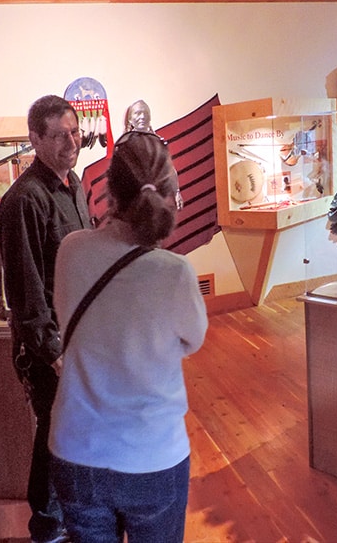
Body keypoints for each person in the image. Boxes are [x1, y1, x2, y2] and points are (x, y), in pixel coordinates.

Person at [49, 130, 208, 543]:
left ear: (108, 193)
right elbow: (193, 340)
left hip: (75, 451)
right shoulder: (175, 272)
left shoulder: (71, 249)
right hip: (151, 456)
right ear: (172, 196)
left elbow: (65, 316)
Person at [0, 94, 92, 543]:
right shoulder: (23, 201)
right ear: (34, 139)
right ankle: (47, 526)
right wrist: (52, 353)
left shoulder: (74, 187)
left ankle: (69, 518)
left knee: (72, 432)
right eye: (58, 135)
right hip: (49, 349)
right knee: (55, 435)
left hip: (78, 337)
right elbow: (26, 289)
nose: (70, 142)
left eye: (73, 132)